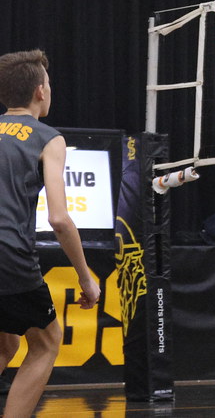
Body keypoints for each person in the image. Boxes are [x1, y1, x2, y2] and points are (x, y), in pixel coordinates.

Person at [0, 50, 101, 418]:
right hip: (9, 253)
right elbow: (59, 219)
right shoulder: (48, 138)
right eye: (50, 83)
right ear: (40, 91)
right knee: (46, 342)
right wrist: (86, 278)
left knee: (5, 344)